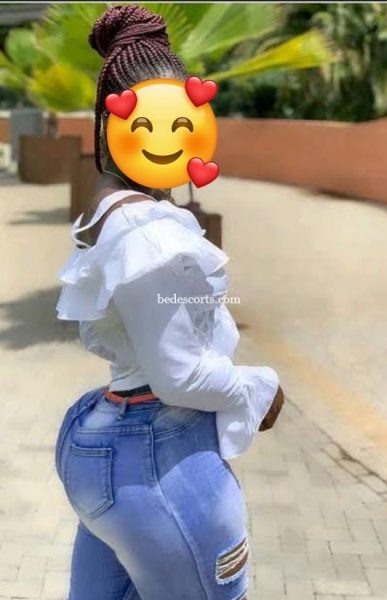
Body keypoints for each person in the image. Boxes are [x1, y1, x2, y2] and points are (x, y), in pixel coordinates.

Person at [54, 5, 284, 600]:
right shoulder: (152, 236)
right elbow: (178, 375)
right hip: (160, 452)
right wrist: (259, 388)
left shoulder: (107, 213)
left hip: (104, 440)